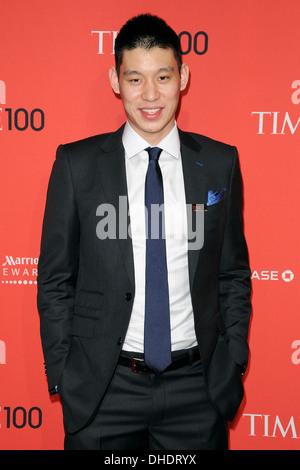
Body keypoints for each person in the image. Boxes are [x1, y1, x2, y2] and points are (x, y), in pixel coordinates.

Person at [37, 13, 252, 450]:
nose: (150, 95)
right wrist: (64, 369)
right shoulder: (76, 166)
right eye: (135, 79)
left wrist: (233, 358)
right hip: (103, 391)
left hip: (197, 389)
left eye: (163, 76)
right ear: (116, 80)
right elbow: (56, 279)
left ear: (183, 77)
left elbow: (232, 273)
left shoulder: (219, 162)